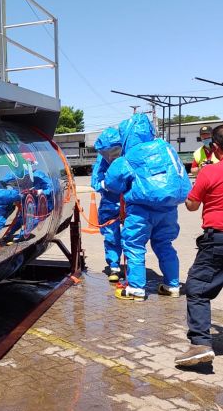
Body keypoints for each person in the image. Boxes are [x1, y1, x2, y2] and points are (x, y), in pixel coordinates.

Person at [103, 113, 191, 301]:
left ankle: (136, 288)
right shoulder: (166, 148)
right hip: (168, 210)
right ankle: (172, 285)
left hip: (140, 211)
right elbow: (181, 177)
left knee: (134, 245)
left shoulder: (130, 155)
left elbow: (112, 182)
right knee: (164, 244)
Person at [175, 123, 223, 366]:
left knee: (197, 288)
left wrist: (190, 192)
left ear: (214, 147)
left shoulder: (210, 172)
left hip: (218, 241)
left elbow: (192, 205)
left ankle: (200, 344)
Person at [91, 127, 123, 282]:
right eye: (106, 152)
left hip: (129, 201)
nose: (111, 155)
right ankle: (114, 266)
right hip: (110, 203)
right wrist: (106, 184)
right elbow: (95, 181)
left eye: (115, 149)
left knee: (132, 236)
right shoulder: (102, 159)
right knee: (111, 235)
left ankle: (133, 268)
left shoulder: (129, 154)